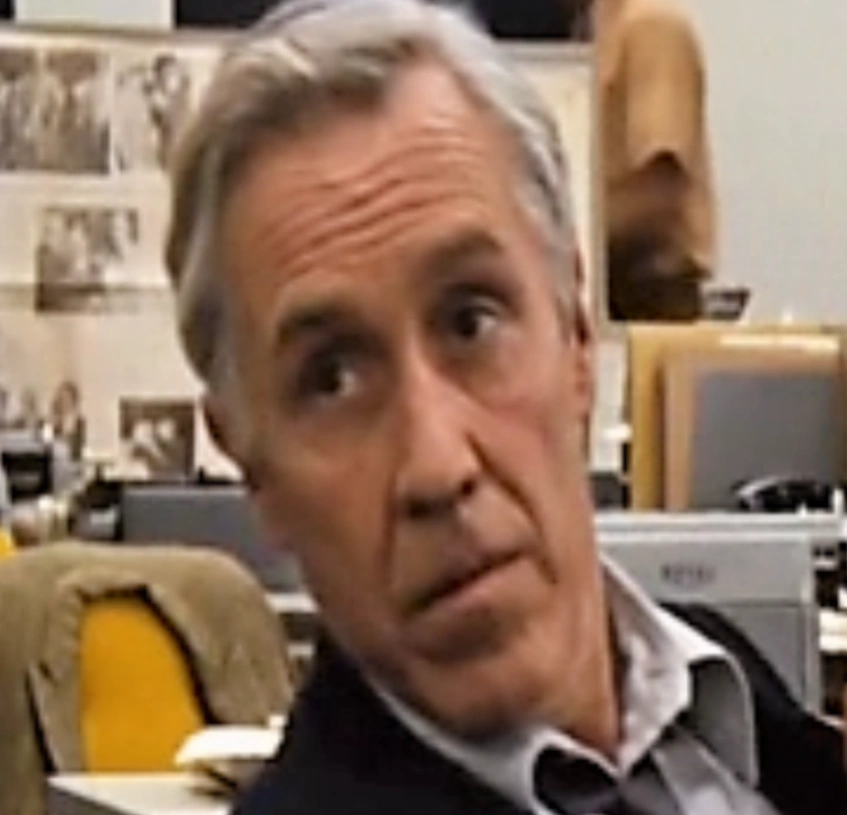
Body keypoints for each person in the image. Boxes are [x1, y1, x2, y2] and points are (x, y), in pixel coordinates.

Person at [165, 2, 845, 814]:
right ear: (254, 469)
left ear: (575, 332)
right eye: (333, 378)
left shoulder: (733, 707)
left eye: (470, 322)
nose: (437, 464)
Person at [595, 0, 715, 321]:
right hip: (602, 286)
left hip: (645, 294)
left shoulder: (653, 27)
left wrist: (557, 232)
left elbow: (658, 193)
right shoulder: (590, 35)